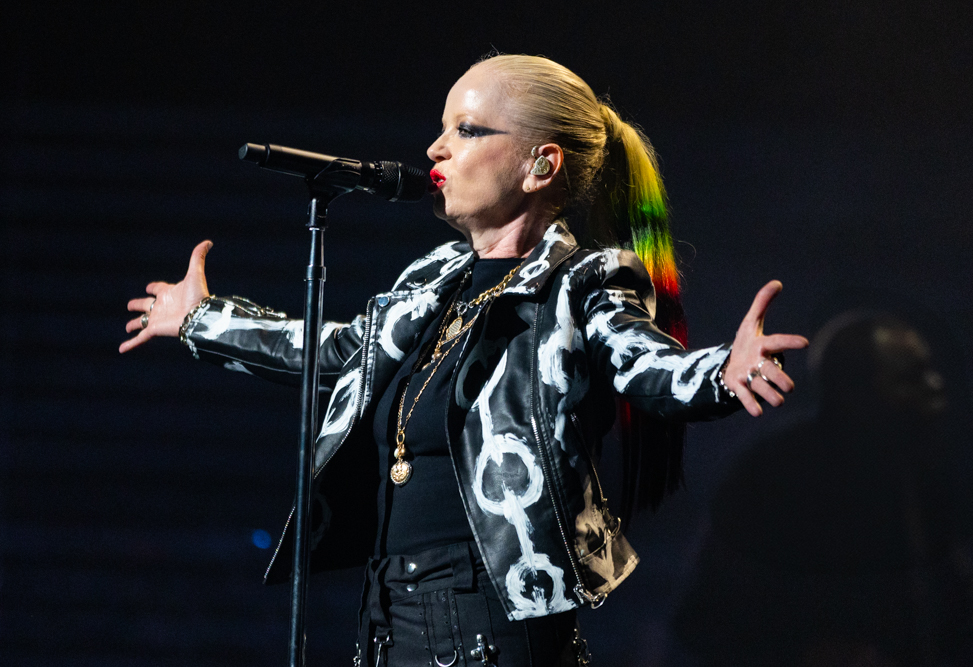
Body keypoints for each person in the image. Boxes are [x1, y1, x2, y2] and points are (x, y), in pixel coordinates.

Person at [120, 55, 808, 666]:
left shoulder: (582, 283)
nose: (435, 147)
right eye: (442, 127)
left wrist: (722, 373)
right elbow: (339, 351)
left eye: (467, 130)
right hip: (388, 616)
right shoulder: (432, 280)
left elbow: (646, 363)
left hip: (491, 623)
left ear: (540, 165)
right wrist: (201, 320)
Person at [675, 313, 973, 667]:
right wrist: (805, 652)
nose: (935, 386)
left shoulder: (912, 476)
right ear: (855, 390)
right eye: (910, 376)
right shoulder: (775, 476)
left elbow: (957, 603)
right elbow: (705, 619)